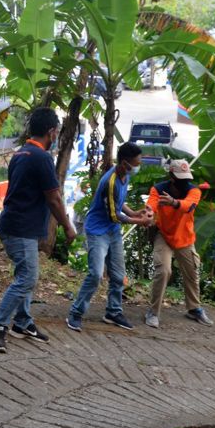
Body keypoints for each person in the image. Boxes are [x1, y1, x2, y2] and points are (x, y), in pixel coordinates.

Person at [0, 109, 76, 353]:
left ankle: (22, 322)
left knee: (24, 274)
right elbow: (54, 198)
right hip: (20, 228)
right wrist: (67, 226)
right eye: (56, 131)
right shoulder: (41, 157)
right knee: (27, 278)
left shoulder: (20, 153)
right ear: (52, 132)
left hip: (16, 224)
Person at [66, 142, 153, 332]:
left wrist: (136, 212)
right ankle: (76, 312)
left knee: (118, 275)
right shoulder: (110, 181)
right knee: (96, 274)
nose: (137, 167)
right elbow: (114, 215)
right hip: (98, 231)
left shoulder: (124, 176)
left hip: (112, 231)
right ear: (124, 163)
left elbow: (119, 203)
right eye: (136, 164)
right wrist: (140, 222)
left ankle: (113, 312)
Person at [144, 159, 212, 329]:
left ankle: (194, 309)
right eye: (180, 178)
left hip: (185, 238)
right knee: (163, 270)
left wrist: (174, 202)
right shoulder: (158, 189)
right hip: (164, 236)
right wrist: (149, 214)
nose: (184, 182)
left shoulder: (193, 190)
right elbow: (150, 206)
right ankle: (153, 312)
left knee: (192, 272)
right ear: (171, 176)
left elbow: (189, 206)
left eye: (186, 178)